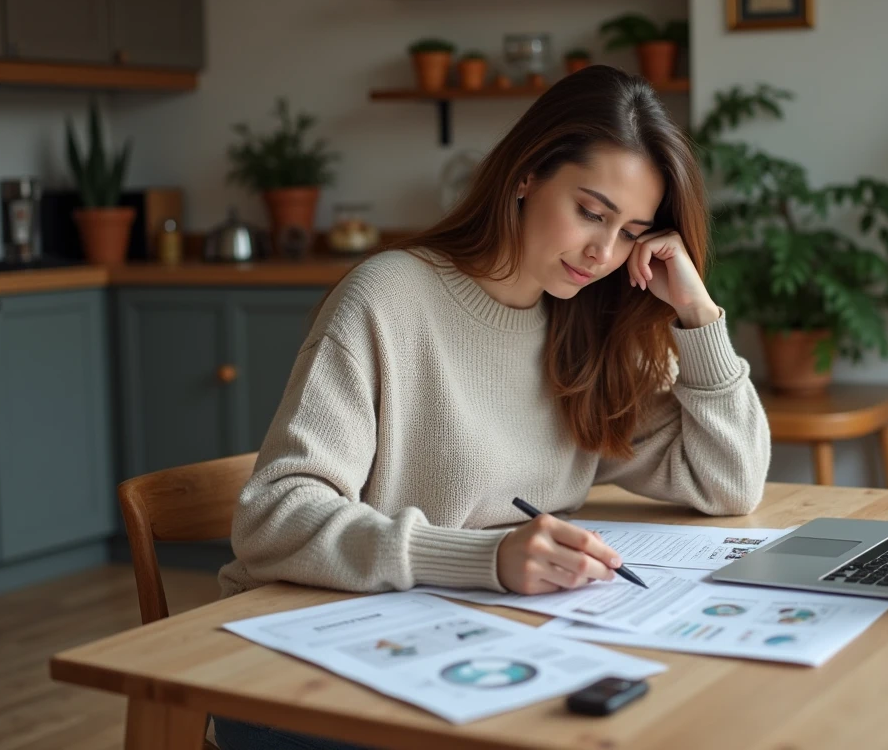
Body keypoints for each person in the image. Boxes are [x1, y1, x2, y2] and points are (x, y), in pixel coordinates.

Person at [212, 65, 771, 750]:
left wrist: (698, 312)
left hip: (467, 652)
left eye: (632, 231)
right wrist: (484, 559)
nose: (603, 251)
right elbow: (273, 517)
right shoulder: (388, 299)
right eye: (591, 212)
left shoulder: (587, 332)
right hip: (302, 673)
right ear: (527, 174)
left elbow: (731, 481)